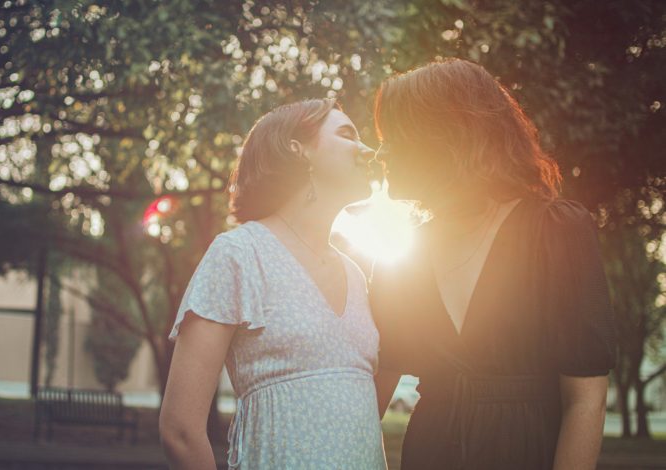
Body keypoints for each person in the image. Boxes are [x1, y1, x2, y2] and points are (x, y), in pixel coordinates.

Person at [371, 58, 617, 470]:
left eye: (394, 135)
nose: (380, 151)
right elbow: (372, 395)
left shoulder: (556, 230)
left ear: (446, 136)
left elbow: (585, 399)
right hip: (430, 453)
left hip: (526, 451)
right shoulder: (404, 255)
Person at [159, 98, 386, 469]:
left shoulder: (356, 274)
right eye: (348, 134)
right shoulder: (239, 254)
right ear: (299, 151)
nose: (368, 150)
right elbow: (180, 430)